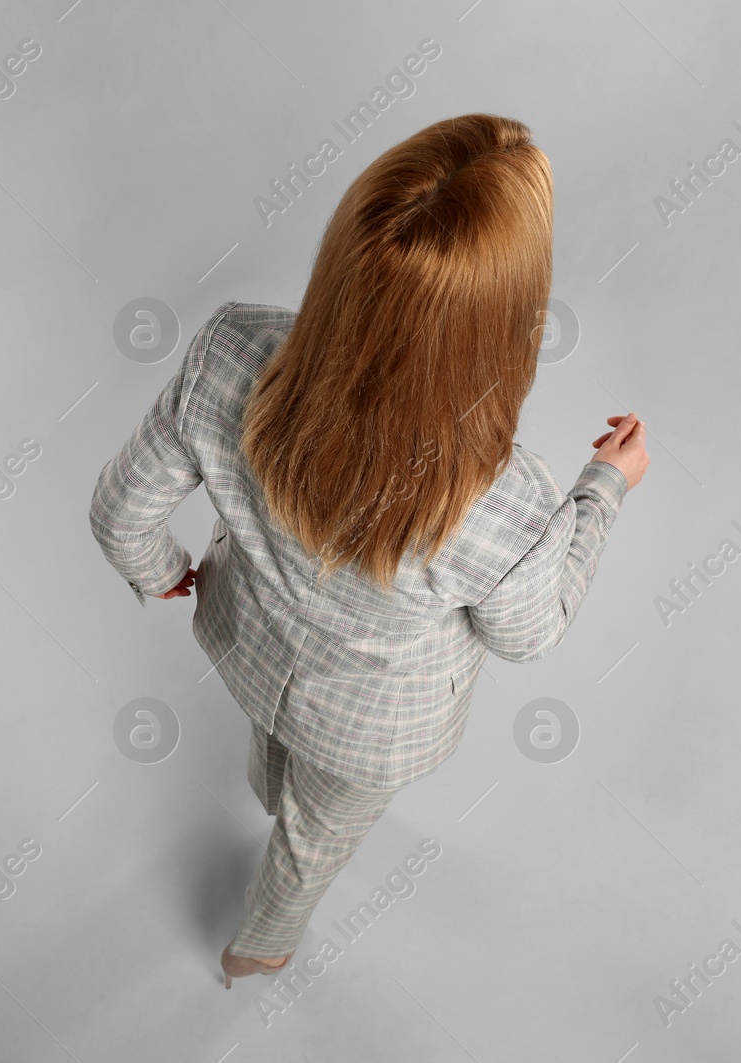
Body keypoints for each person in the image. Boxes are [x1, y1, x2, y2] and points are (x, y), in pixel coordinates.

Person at [89, 113, 649, 990]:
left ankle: (269, 792)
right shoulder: (509, 505)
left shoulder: (230, 346)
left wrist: (163, 573)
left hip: (246, 642)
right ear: (506, 323)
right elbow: (530, 632)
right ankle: (259, 948)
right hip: (373, 731)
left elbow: (119, 512)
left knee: (274, 744)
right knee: (311, 842)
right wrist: (603, 487)